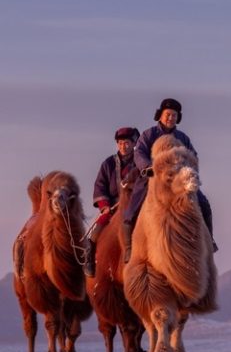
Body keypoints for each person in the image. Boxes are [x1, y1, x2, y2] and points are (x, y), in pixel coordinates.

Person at [121, 98, 217, 263]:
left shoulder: (183, 138)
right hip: (153, 178)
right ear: (160, 115)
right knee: (131, 211)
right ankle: (130, 249)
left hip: (178, 180)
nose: (170, 118)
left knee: (204, 203)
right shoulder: (148, 134)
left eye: (174, 115)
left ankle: (209, 241)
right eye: (167, 114)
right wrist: (149, 167)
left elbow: (193, 156)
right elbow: (139, 153)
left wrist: (188, 169)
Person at [84, 126, 140, 277]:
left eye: (127, 143)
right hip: (113, 206)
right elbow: (100, 186)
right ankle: (90, 260)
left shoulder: (140, 162)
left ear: (134, 144)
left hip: (136, 205)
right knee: (96, 231)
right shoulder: (108, 164)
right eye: (120, 143)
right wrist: (104, 206)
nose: (123, 146)